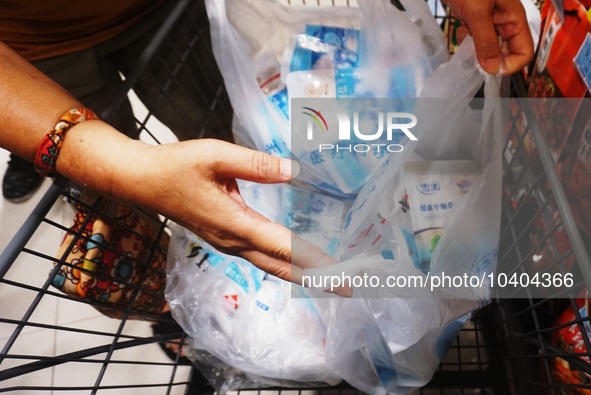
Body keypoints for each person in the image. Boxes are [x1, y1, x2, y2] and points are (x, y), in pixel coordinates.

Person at [0, 0, 534, 284]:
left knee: (214, 145)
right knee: (111, 206)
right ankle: (165, 292)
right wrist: (96, 156)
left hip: (163, 10)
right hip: (26, 52)